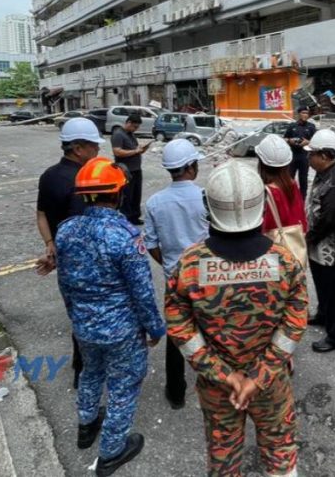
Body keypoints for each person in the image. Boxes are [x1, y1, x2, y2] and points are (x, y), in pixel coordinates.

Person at [166, 161, 308, 477]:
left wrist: (225, 375)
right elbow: (294, 325)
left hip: (218, 389)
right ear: (260, 206)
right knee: (281, 454)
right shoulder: (285, 262)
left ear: (209, 206)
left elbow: (180, 330)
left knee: (223, 461)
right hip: (271, 384)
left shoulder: (189, 264)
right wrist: (259, 376)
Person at [55, 156, 166, 477]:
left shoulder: (67, 231)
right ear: (118, 194)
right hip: (122, 331)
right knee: (123, 385)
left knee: (91, 373)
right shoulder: (125, 237)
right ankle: (112, 451)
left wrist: (75, 316)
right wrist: (155, 327)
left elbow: (64, 282)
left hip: (84, 326)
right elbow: (142, 291)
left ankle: (86, 425)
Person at [35, 117, 105, 388]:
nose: (97, 151)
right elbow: (86, 233)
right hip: (87, 264)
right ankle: (87, 373)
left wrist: (50, 245)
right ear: (78, 148)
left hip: (65, 265)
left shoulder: (48, 175)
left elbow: (41, 214)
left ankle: (82, 365)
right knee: (94, 316)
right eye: (93, 146)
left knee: (77, 313)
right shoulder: (83, 181)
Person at [143, 139, 208, 410]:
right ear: (191, 166)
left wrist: (170, 264)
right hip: (206, 274)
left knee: (177, 333)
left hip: (174, 276)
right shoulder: (205, 196)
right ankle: (213, 381)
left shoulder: (155, 202)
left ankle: (176, 391)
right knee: (211, 327)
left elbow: (151, 244)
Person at [305, 129, 335, 353]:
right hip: (319, 246)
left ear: (324, 156)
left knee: (334, 293)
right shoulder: (323, 174)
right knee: (322, 286)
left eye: (312, 153)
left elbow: (327, 222)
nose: (308, 157)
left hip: (331, 249)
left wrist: (307, 239)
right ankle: (323, 315)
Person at [256, 134, 308, 234]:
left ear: (261, 162)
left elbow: (264, 228)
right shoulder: (292, 184)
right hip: (293, 243)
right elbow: (301, 217)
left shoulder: (266, 192)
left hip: (274, 246)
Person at [112, 111, 150, 225]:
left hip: (136, 169)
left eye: (137, 127)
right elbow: (117, 152)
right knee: (127, 196)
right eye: (134, 126)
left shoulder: (131, 134)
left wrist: (141, 149)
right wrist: (135, 151)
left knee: (136, 195)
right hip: (125, 171)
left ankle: (134, 216)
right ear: (128, 122)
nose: (135, 129)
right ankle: (127, 219)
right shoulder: (118, 134)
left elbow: (134, 149)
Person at [284, 107, 317, 198]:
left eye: (307, 113)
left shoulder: (311, 127)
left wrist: (308, 142)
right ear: (299, 114)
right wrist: (290, 140)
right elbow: (285, 138)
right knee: (290, 178)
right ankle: (289, 197)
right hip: (293, 156)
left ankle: (302, 199)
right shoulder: (292, 126)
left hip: (305, 157)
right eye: (303, 113)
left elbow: (317, 141)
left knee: (303, 180)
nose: (305, 115)